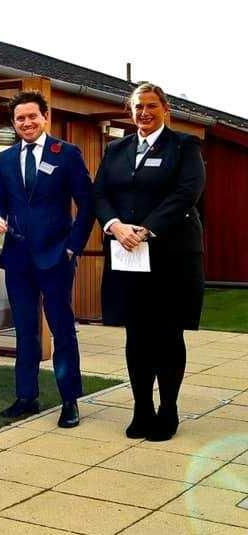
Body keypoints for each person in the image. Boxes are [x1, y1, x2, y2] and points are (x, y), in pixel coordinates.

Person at [93, 82, 205, 442]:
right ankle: (142, 408)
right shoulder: (116, 149)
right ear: (130, 110)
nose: (144, 112)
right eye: (138, 106)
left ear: (165, 108)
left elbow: (187, 192)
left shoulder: (184, 146)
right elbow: (100, 194)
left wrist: (145, 229)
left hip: (170, 255)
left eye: (151, 105)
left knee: (167, 333)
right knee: (136, 334)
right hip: (127, 254)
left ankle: (168, 409)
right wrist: (114, 225)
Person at [0, 90, 93, 428]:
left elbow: (87, 204)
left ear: (45, 117)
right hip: (18, 259)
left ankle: (69, 401)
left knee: (62, 330)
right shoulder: (4, 160)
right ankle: (26, 396)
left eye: (32, 116)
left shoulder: (66, 154)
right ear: (14, 123)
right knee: (25, 331)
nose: (27, 123)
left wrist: (72, 247)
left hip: (56, 258)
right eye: (20, 118)